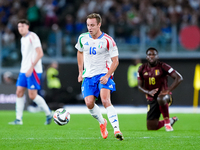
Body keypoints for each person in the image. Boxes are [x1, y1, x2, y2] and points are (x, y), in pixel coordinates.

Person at [75, 13, 124, 140]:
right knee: (89, 103)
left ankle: (117, 130)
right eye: (87, 25)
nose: (89, 28)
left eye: (92, 25)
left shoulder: (108, 40)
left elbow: (116, 61)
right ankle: (102, 122)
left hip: (103, 74)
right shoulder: (82, 38)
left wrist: (108, 75)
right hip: (89, 75)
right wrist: (80, 72)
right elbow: (80, 52)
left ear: (99, 25)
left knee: (105, 100)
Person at [9, 19, 52, 125]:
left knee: (32, 95)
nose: (20, 28)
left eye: (22, 26)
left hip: (33, 70)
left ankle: (48, 113)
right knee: (19, 92)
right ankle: (19, 119)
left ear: (27, 26)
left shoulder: (33, 37)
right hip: (23, 70)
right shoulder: (22, 39)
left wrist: (31, 67)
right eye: (19, 26)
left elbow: (40, 53)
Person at [137, 47, 183, 131]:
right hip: (152, 98)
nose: (151, 56)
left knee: (160, 98)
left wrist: (168, 90)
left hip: (165, 97)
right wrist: (148, 92)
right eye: (149, 55)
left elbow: (179, 78)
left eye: (153, 54)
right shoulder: (142, 68)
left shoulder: (163, 66)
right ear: (146, 57)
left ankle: (167, 123)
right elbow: (139, 86)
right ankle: (171, 120)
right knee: (151, 127)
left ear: (157, 56)